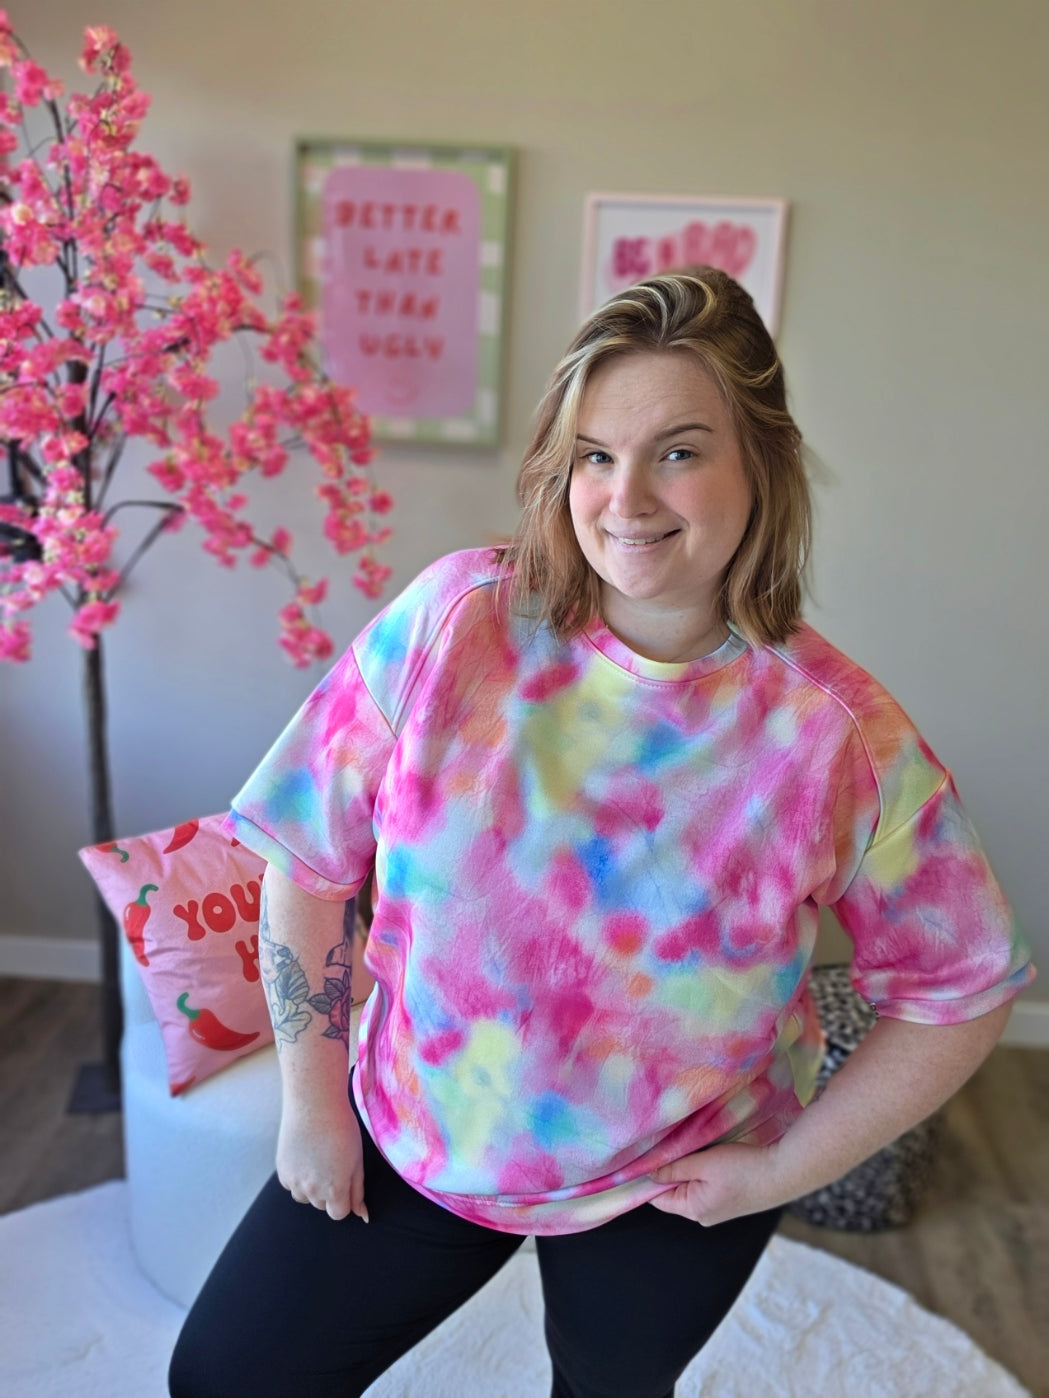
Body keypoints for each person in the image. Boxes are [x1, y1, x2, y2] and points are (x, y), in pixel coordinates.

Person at [169, 269, 1034, 1398]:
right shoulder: (453, 621)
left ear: (759, 463)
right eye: (593, 455)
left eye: (677, 451)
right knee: (226, 1378)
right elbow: (306, 859)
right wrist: (311, 1103)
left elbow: (961, 987)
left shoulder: (836, 736)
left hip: (673, 1181)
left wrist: (783, 1168)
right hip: (417, 1126)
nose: (625, 497)